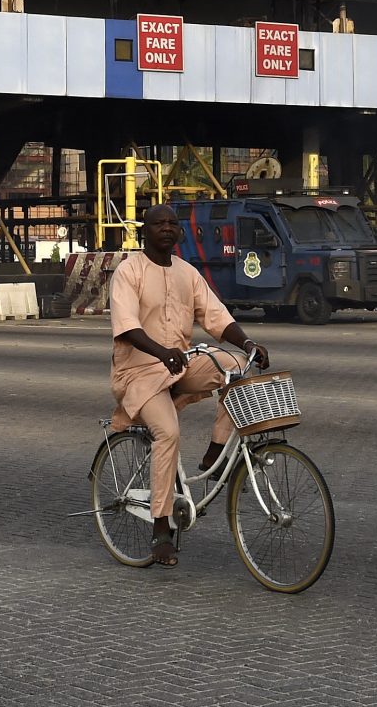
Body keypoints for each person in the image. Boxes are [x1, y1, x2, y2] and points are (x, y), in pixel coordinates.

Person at [108, 204, 267, 568]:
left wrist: (248, 344)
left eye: (172, 223)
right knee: (168, 433)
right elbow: (127, 327)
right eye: (158, 223)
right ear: (144, 231)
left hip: (178, 364)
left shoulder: (187, 273)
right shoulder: (128, 272)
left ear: (179, 232)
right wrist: (161, 352)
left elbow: (216, 316)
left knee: (236, 367)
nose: (166, 228)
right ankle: (161, 529)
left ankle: (215, 451)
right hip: (139, 372)